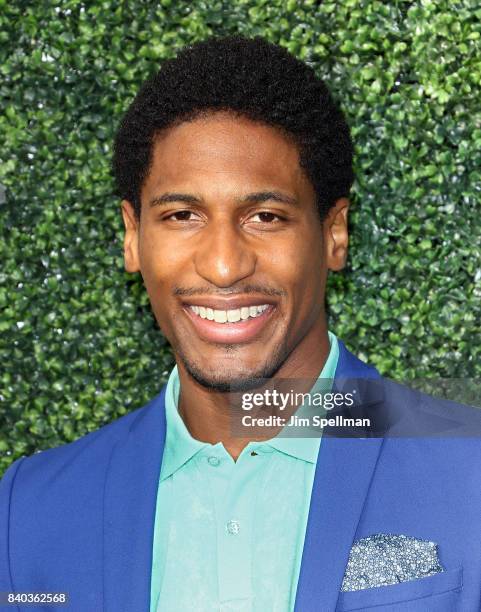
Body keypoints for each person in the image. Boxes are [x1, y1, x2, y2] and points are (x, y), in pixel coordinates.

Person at [1, 35, 480, 612]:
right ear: (133, 237)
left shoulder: (468, 471)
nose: (224, 265)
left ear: (334, 234)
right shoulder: (27, 513)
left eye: (265, 216)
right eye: (182, 216)